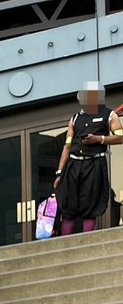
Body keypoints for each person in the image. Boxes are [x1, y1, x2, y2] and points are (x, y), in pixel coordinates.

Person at [53, 83, 123, 234]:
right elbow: (67, 146)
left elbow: (120, 137)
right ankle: (65, 245)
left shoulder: (110, 115)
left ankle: (87, 240)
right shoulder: (75, 118)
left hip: (94, 163)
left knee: (90, 206)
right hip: (73, 164)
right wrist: (59, 172)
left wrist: (99, 139)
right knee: (68, 207)